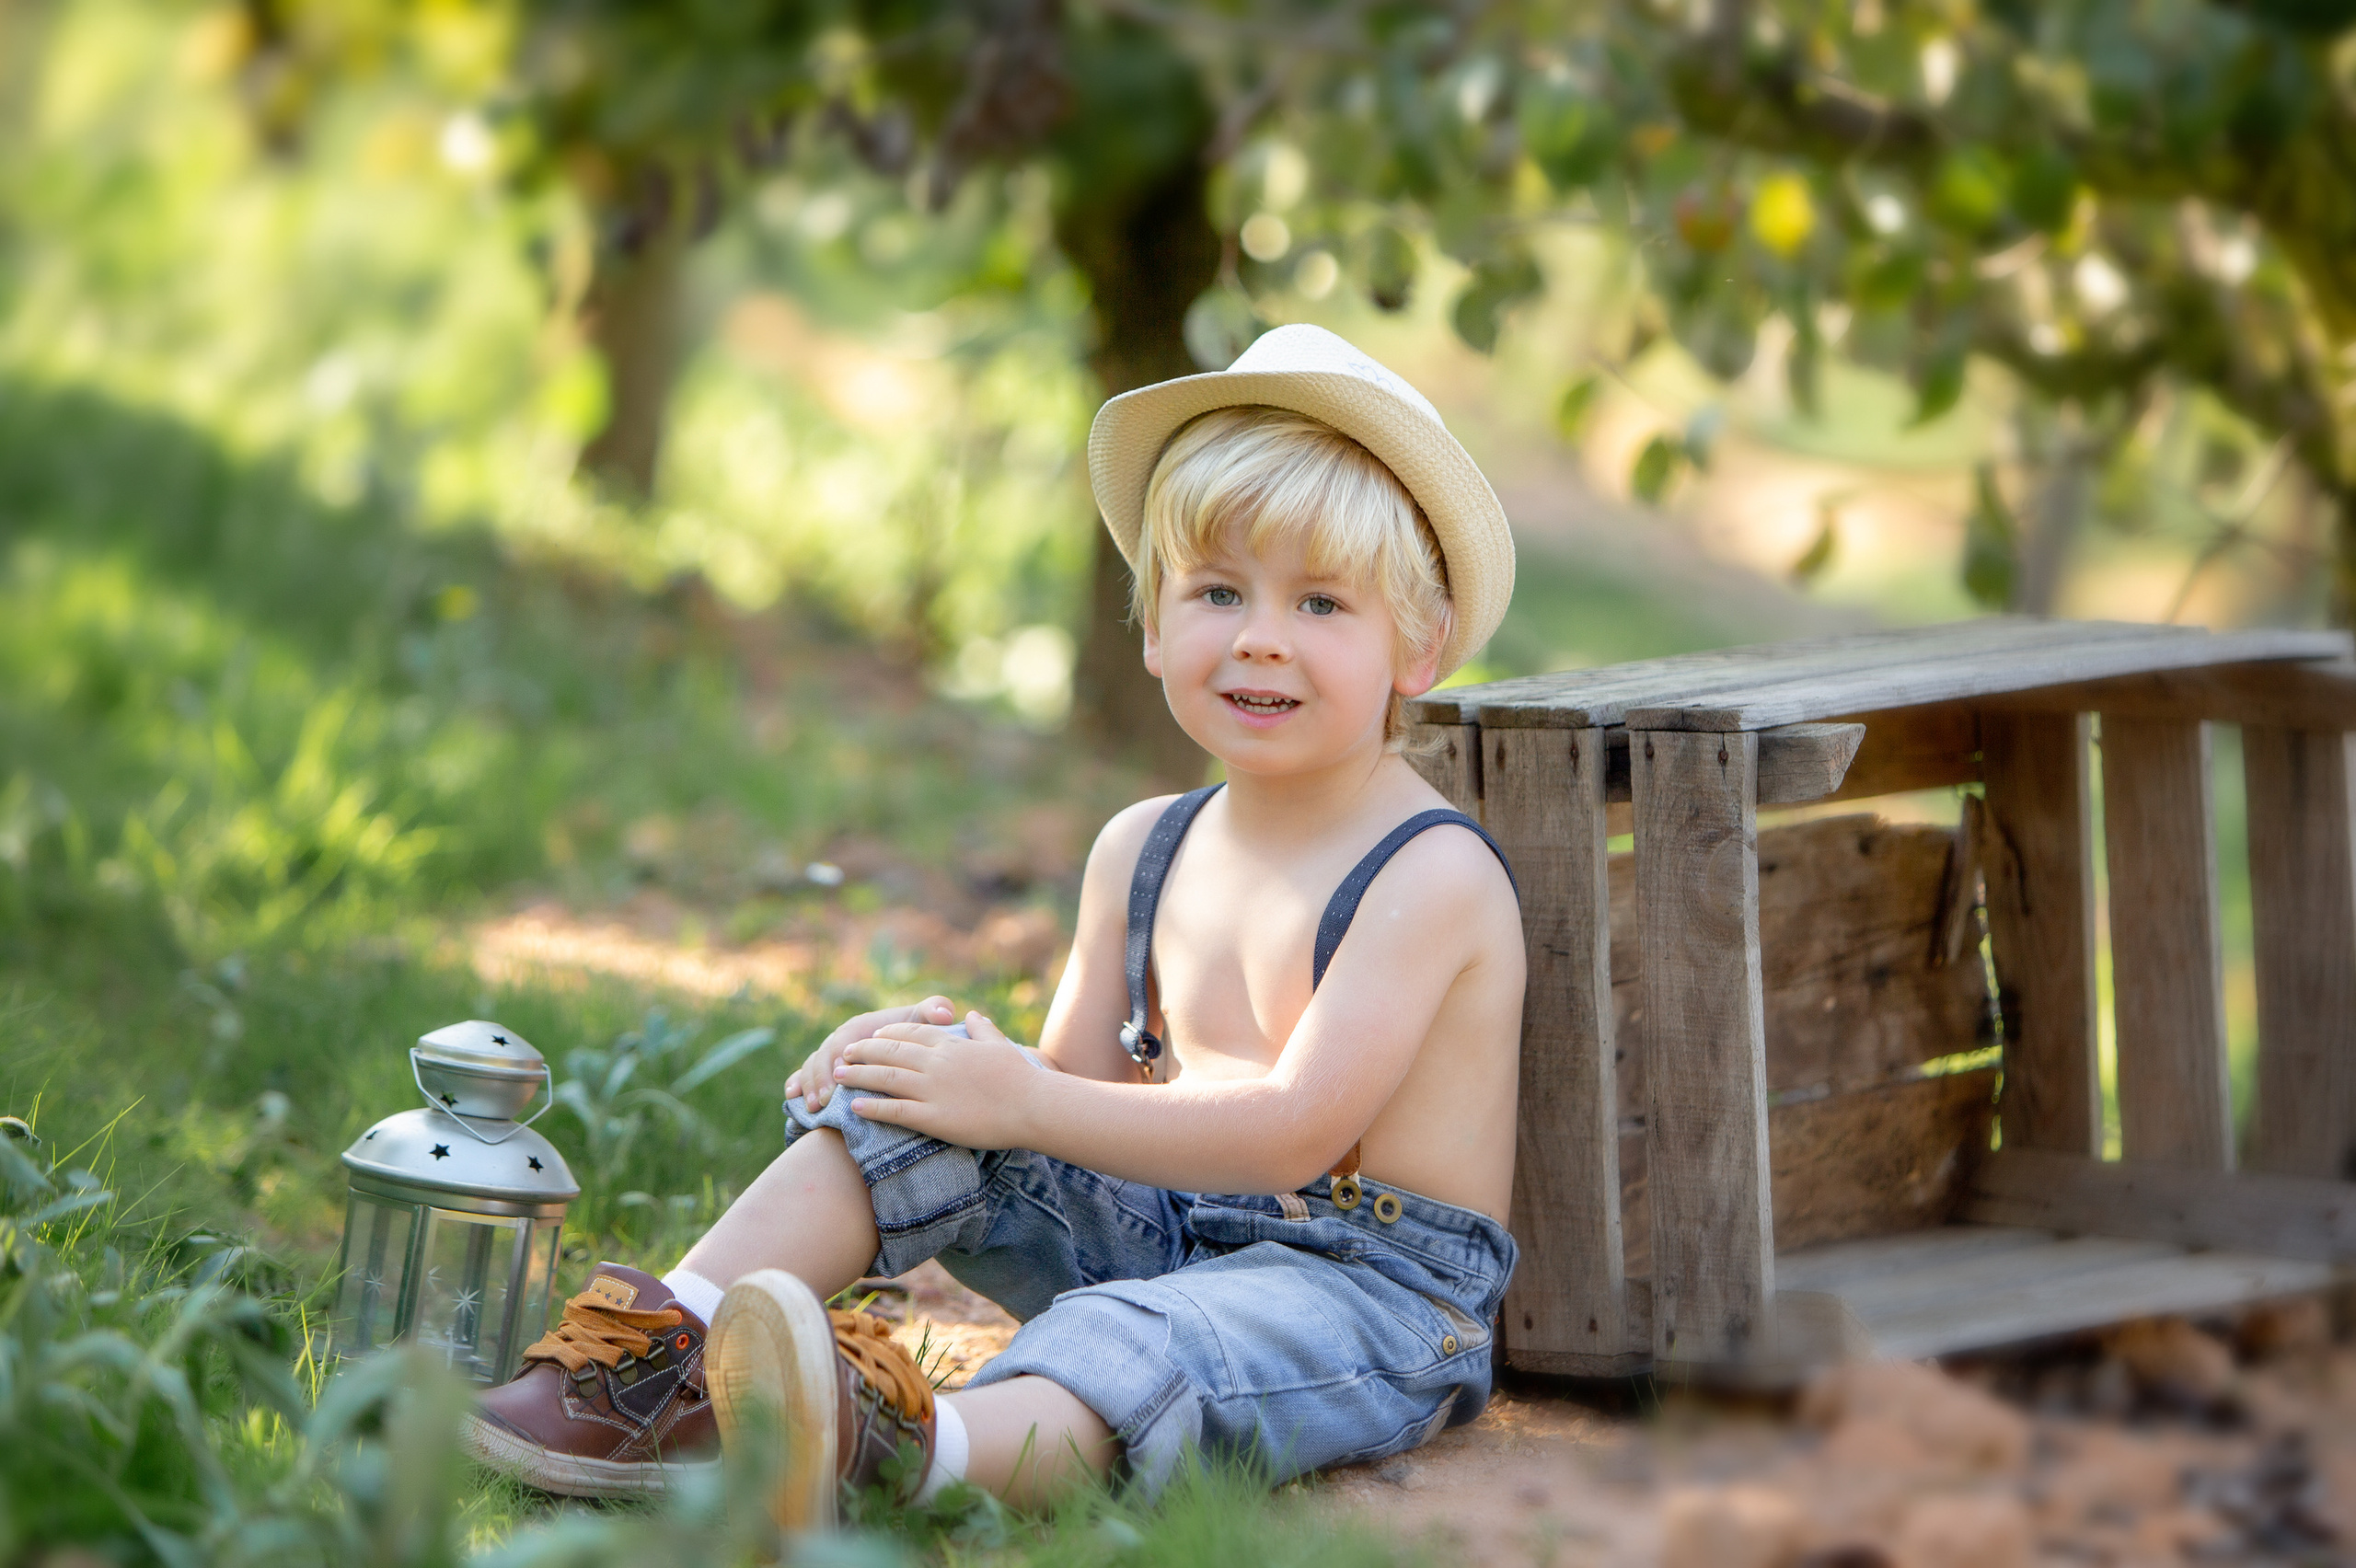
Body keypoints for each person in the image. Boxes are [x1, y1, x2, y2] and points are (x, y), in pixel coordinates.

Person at [459, 324, 1526, 1528]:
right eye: (1218, 592)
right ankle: (664, 1357)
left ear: (1418, 648)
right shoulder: (1143, 848)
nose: (1260, 635)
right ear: (1155, 626)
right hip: (1166, 1224)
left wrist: (1013, 1096)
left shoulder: (1430, 873)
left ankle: (899, 1448)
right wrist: (937, 1070)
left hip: (1364, 1294)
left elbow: (1293, 1133)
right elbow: (1063, 1101)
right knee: (918, 1102)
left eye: (1320, 602)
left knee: (1135, 1337)